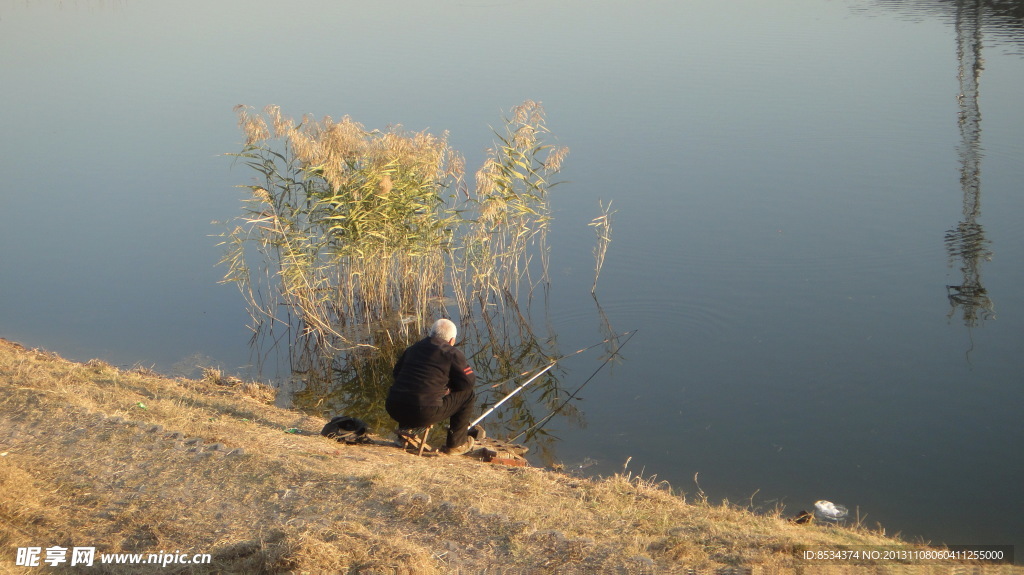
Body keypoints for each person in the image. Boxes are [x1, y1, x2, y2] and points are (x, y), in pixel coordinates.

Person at [385, 318, 477, 455]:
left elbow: (396, 374)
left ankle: (403, 435)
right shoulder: (452, 353)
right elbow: (468, 382)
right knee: (468, 395)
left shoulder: (413, 348)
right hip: (424, 412)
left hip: (393, 407)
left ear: (431, 334)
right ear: (452, 340)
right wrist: (448, 388)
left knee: (411, 390)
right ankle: (456, 444)